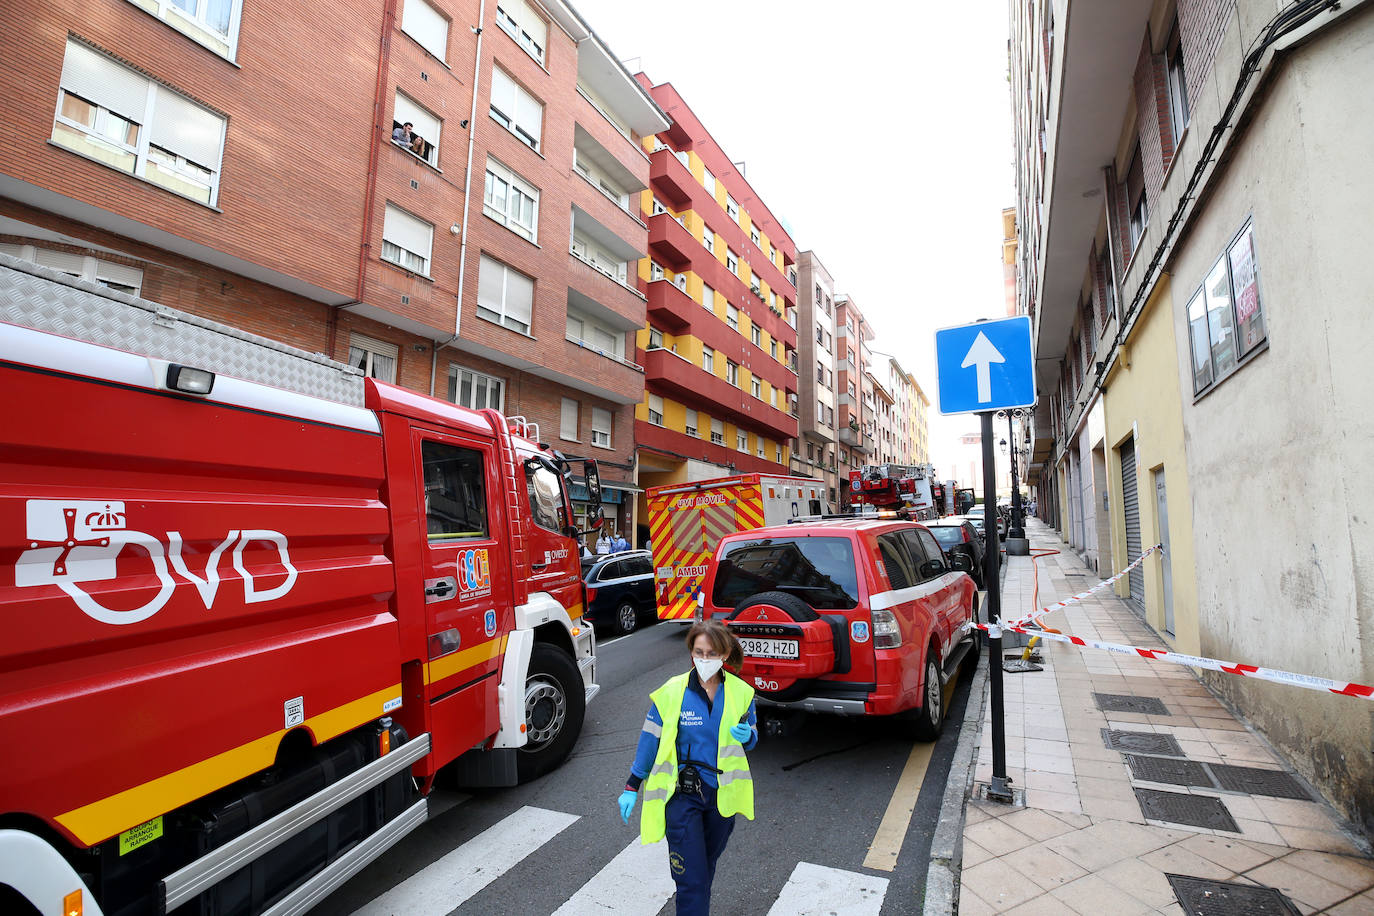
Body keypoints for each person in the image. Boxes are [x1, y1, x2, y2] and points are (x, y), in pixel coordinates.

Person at [619, 620, 758, 916]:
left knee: (705, 868)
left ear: (724, 654)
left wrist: (750, 737)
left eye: (711, 653)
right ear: (691, 652)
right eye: (699, 652)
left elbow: (751, 736)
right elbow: (650, 741)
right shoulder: (671, 693)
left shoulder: (741, 693)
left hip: (722, 799)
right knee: (691, 880)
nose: (704, 659)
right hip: (683, 797)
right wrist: (632, 785)